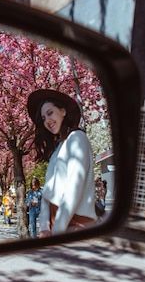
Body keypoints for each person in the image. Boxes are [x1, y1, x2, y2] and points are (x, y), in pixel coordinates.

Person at [27, 89, 96, 235]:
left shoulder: (77, 138)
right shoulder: (58, 148)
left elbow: (73, 190)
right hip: (56, 223)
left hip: (74, 222)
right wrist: (44, 228)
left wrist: (57, 233)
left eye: (50, 113)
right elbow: (47, 193)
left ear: (63, 111)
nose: (47, 120)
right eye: (43, 118)